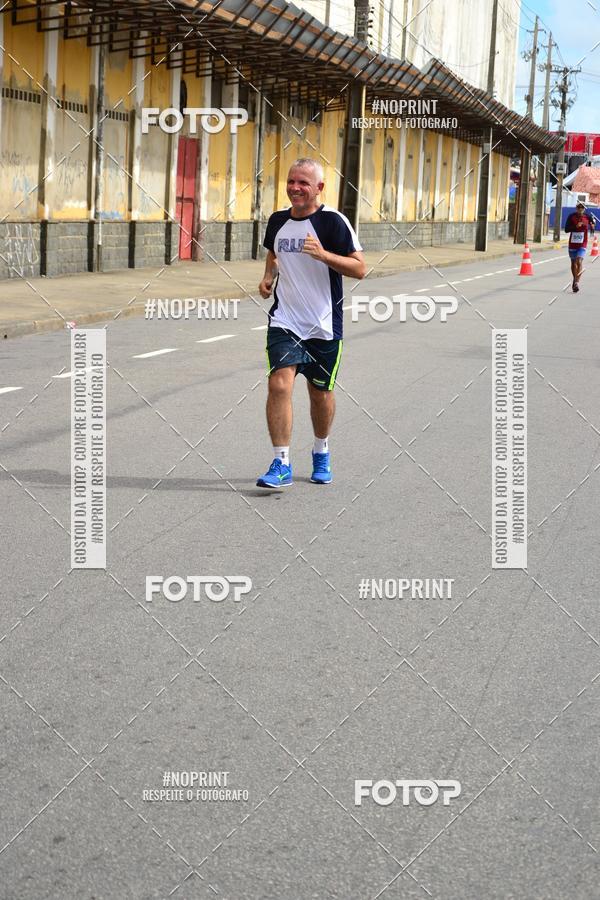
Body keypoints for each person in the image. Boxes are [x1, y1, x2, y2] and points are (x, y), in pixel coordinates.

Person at [256, 158, 366, 489]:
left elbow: (360, 268)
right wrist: (268, 276)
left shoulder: (333, 222)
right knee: (279, 385)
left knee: (320, 394)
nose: (295, 187)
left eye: (303, 182)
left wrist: (323, 255)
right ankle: (281, 462)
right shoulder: (277, 220)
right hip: (286, 321)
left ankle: (321, 450)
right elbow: (273, 253)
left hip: (323, 325)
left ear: (319, 188)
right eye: (291, 181)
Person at [565, 201, 595, 293]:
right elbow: (566, 229)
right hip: (573, 243)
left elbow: (592, 226)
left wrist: (592, 226)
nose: (580, 209)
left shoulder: (588, 217)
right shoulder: (571, 216)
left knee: (579, 261)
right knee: (573, 263)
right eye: (579, 207)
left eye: (582, 208)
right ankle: (574, 279)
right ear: (576, 208)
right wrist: (575, 226)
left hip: (582, 243)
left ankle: (576, 282)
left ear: (584, 209)